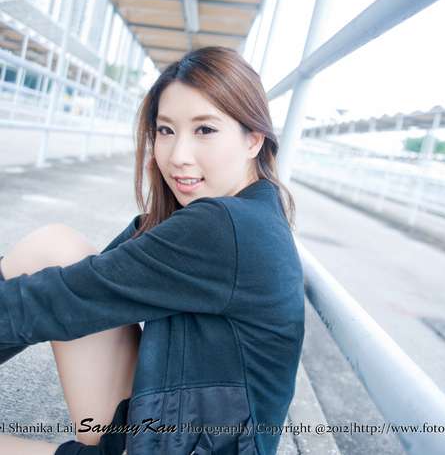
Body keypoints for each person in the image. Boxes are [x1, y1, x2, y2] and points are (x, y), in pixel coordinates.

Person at [0, 46, 305, 455]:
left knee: (53, 265)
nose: (178, 156)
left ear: (253, 139)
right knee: (56, 247)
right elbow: (95, 283)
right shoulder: (247, 214)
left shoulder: (227, 226)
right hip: (171, 429)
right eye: (166, 131)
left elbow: (65, 299)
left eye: (205, 130)